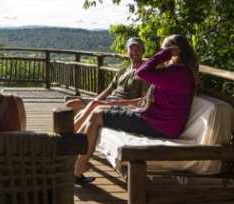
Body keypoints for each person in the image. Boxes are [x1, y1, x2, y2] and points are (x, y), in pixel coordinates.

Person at [73, 34, 199, 183]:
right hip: (155, 120)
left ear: (174, 51)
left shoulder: (178, 73)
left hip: (159, 125)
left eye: (164, 49)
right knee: (96, 112)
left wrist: (164, 54)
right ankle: (77, 162)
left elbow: (142, 72)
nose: (162, 52)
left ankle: (78, 167)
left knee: (97, 115)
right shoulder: (178, 72)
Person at [66, 37, 150, 113]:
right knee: (72, 104)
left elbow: (144, 100)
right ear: (127, 52)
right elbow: (109, 89)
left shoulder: (144, 72)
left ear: (143, 51)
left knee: (92, 108)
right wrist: (95, 100)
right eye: (131, 49)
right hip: (109, 99)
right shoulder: (123, 70)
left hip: (122, 105)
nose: (135, 51)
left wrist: (112, 103)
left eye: (138, 48)